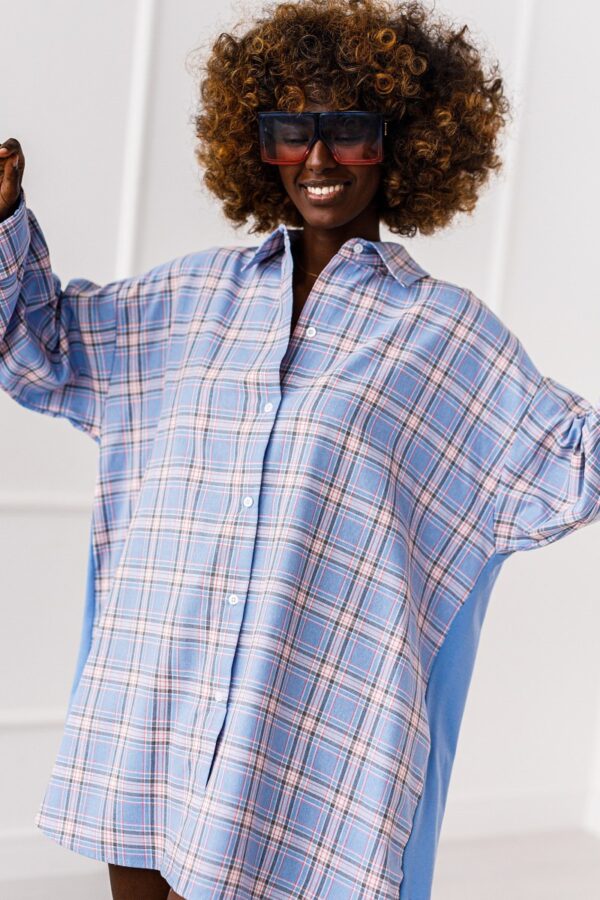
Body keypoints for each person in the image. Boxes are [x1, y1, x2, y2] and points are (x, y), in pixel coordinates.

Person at [0, 1, 598, 898]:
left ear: (399, 144)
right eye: (292, 131)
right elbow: (38, 347)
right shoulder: (190, 298)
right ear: (261, 144)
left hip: (303, 749)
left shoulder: (447, 336)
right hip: (152, 715)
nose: (318, 158)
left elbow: (575, 461)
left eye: (349, 130)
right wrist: (5, 220)